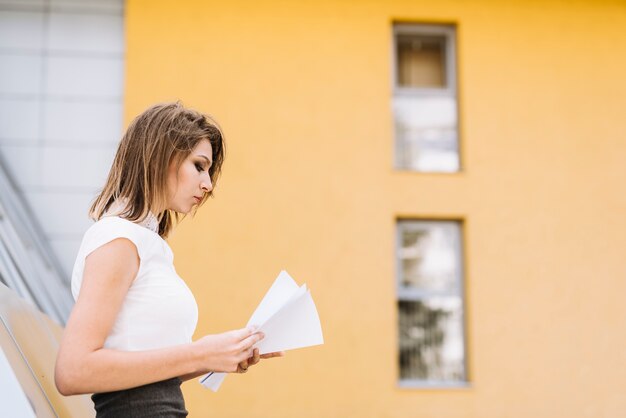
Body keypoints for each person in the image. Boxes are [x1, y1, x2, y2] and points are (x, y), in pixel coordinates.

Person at [54, 102, 283, 417]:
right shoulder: (119, 240)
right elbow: (73, 370)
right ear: (163, 157)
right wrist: (201, 352)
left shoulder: (147, 243)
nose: (208, 184)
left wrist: (217, 356)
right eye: (199, 165)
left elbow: (145, 379)